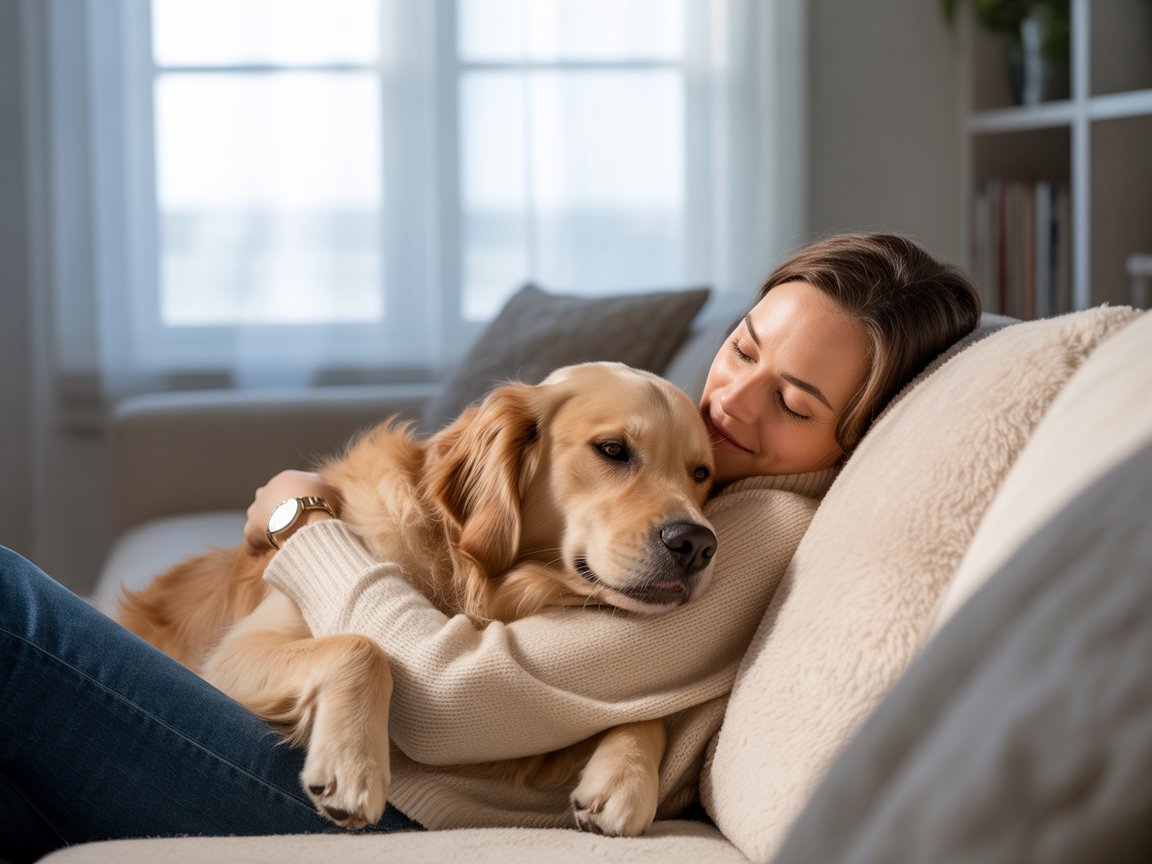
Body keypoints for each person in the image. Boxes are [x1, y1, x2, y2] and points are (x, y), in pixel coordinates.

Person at [0, 233, 981, 860]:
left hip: (373, 803)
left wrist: (305, 522)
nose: (729, 402)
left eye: (794, 402)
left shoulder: (755, 530)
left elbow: (459, 704)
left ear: (854, 437)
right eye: (744, 348)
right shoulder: (705, 477)